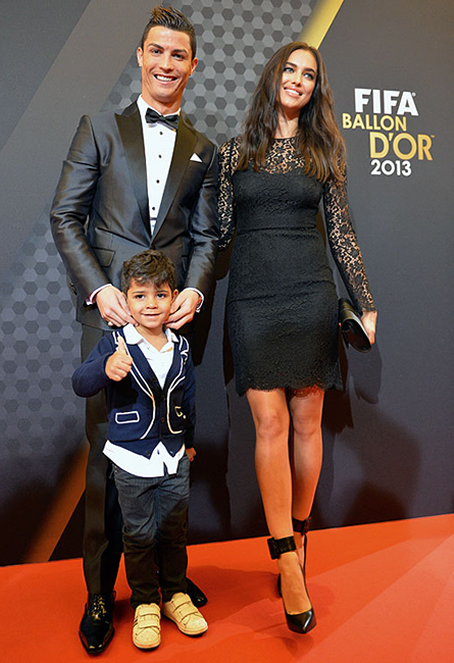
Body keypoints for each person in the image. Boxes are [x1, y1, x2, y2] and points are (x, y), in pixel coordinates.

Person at [50, 5, 218, 654]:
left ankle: (164, 578)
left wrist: (197, 288)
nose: (166, 64)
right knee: (106, 461)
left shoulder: (205, 148)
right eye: (157, 52)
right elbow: (66, 217)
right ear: (141, 56)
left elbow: (205, 236)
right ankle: (100, 592)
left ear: (193, 65)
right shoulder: (97, 127)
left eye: (179, 55)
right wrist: (100, 289)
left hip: (172, 324)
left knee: (170, 455)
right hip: (110, 321)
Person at [218, 42, 377, 634]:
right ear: (274, 76)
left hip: (309, 294)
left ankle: (299, 533)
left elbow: (341, 231)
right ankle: (285, 556)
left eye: (310, 75)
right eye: (291, 69)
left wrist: (364, 300)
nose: (299, 81)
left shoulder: (322, 151)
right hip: (254, 298)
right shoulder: (236, 153)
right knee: (269, 425)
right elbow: (222, 231)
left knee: (307, 425)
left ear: (316, 88)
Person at [71, 250, 208, 650]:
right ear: (125, 300)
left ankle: (176, 593)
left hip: (174, 458)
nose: (151, 304)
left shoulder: (180, 348)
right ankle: (146, 600)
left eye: (160, 295)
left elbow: (190, 400)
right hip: (131, 461)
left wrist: (190, 443)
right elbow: (81, 382)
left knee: (174, 530)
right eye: (140, 296)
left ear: (174, 298)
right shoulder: (116, 343)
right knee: (138, 534)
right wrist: (105, 368)